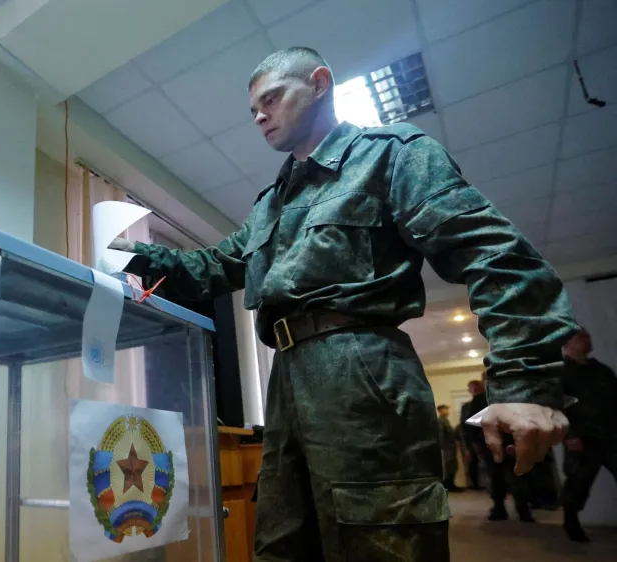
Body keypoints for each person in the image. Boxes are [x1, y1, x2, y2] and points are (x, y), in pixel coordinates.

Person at [111, 46, 577, 561]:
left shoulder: (392, 153)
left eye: (271, 99)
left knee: (381, 535)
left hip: (363, 370)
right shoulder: (272, 202)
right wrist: (124, 256)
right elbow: (215, 266)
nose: (260, 116)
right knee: (282, 539)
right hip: (287, 378)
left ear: (320, 83)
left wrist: (525, 383)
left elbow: (494, 253)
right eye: (253, 110)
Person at [560, 328, 617, 542]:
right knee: (578, 483)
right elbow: (556, 407)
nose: (587, 340)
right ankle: (571, 520)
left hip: (610, 435)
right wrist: (570, 435)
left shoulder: (602, 371)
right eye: (580, 338)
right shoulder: (560, 373)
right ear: (567, 344)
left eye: (588, 337)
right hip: (582, 439)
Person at [465, 372, 535, 522]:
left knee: (514, 476)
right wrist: (476, 443)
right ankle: (504, 508)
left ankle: (517, 509)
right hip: (494, 445)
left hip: (508, 444)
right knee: (500, 477)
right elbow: (473, 425)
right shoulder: (483, 399)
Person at [459, 380, 486, 490]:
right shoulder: (466, 406)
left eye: (470, 387)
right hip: (472, 438)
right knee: (473, 462)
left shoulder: (484, 401)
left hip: (483, 437)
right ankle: (475, 484)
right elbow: (463, 426)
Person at [436, 405, 463, 492]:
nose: (447, 411)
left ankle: (451, 485)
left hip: (450, 447)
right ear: (440, 411)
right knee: (449, 467)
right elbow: (441, 436)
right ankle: (448, 486)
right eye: (445, 409)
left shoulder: (445, 420)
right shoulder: (441, 421)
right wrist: (442, 447)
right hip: (447, 447)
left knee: (452, 466)